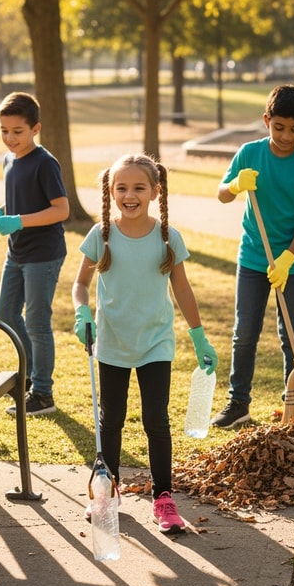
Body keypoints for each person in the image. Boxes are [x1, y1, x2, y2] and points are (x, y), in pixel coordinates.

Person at [72, 153, 217, 535]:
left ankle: (164, 497)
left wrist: (199, 335)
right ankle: (108, 491)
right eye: (121, 188)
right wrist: (82, 312)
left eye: (139, 188)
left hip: (156, 342)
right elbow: (80, 284)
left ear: (155, 191)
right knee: (112, 419)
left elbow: (181, 288)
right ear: (111, 191)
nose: (129, 195)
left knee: (156, 419)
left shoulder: (167, 238)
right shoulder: (101, 235)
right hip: (112, 343)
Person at [212, 84, 294, 429]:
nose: (286, 136)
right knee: (245, 332)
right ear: (266, 121)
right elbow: (222, 194)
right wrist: (235, 185)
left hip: (293, 262)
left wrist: (289, 258)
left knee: (291, 335)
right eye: (279, 127)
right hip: (253, 257)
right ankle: (238, 403)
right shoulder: (249, 154)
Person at [0, 91, 69, 416]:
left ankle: (43, 393)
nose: (10, 138)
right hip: (16, 251)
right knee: (5, 312)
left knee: (37, 322)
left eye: (18, 131)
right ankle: (30, 376)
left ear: (35, 129)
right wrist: (0, 214)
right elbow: (21, 199)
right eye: (4, 131)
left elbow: (61, 209)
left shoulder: (45, 163)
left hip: (43, 254)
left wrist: (17, 221)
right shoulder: (9, 160)